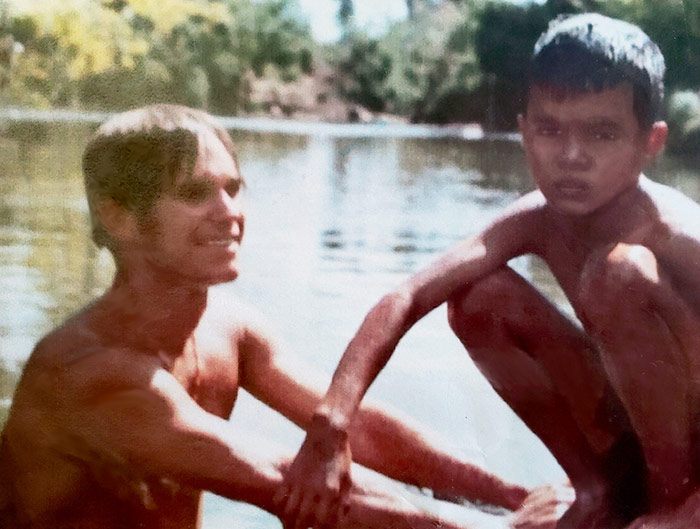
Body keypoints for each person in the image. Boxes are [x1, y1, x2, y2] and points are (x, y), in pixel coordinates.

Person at [0, 104, 551, 529]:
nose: (230, 213)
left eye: (233, 189)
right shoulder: (88, 374)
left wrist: (512, 496)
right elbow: (291, 480)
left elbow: (361, 429)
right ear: (118, 218)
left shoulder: (228, 328)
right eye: (196, 194)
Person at [279, 12, 700, 529]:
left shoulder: (676, 232)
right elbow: (410, 295)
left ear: (650, 144)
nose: (571, 156)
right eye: (549, 129)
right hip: (639, 437)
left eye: (602, 134)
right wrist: (330, 423)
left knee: (621, 274)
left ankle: (670, 504)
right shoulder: (537, 220)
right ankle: (600, 487)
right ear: (523, 132)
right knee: (479, 297)